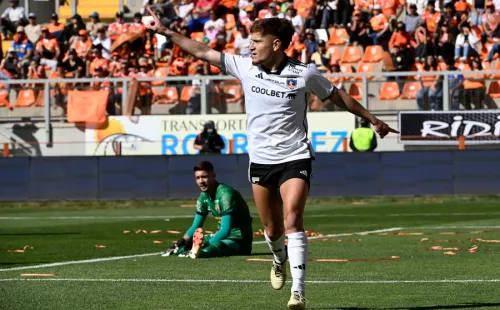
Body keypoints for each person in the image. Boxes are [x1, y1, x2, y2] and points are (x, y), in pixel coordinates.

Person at [146, 8, 398, 310]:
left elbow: (337, 95)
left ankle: (299, 291)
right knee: (273, 230)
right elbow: (202, 51)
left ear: (276, 44)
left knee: (293, 220)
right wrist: (167, 32)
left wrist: (373, 119)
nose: (249, 46)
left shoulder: (304, 73)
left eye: (256, 41)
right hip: (261, 162)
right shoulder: (244, 67)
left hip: (295, 156)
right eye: (250, 41)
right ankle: (278, 259)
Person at [162, 161, 253, 259]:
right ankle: (188, 250)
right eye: (197, 178)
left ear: (213, 176)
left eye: (204, 177)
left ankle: (199, 251)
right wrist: (179, 243)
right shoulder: (203, 197)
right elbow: (196, 226)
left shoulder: (225, 195)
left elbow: (225, 230)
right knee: (185, 246)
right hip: (222, 238)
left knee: (207, 250)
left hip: (238, 241)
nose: (201, 181)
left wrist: (203, 245)